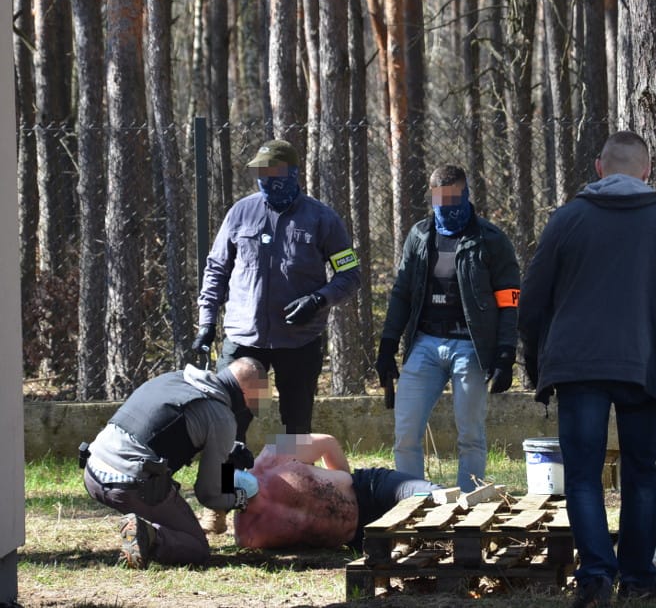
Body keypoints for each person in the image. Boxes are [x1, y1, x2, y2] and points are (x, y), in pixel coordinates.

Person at [518, 131, 656, 608]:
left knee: (581, 476)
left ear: (599, 168)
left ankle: (595, 576)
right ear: (647, 171)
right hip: (645, 365)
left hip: (576, 367)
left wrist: (534, 360)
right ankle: (638, 578)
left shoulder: (566, 220)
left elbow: (531, 299)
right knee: (640, 473)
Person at [193, 138, 361, 533]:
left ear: (294, 174)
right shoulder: (240, 214)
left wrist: (319, 299)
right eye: (261, 176)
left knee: (296, 428)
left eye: (276, 175)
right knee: (228, 425)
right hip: (243, 338)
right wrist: (205, 323)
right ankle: (218, 505)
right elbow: (216, 270)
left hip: (298, 341)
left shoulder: (322, 219)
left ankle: (294, 506)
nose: (268, 183)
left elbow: (349, 274)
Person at [375, 165, 521, 493]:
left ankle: (469, 504)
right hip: (425, 342)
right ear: (433, 199)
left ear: (467, 195)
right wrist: (387, 344)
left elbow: (509, 300)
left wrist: (505, 352)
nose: (450, 210)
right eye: (443, 203)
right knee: (406, 432)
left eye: (457, 201)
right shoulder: (420, 236)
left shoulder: (491, 240)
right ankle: (413, 501)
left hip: (470, 346)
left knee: (470, 434)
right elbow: (402, 293)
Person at [81, 358, 270, 568]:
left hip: (93, 469)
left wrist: (226, 453)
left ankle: (142, 526)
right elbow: (208, 495)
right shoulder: (222, 417)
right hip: (128, 485)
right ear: (248, 391)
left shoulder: (175, 378)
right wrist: (239, 499)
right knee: (196, 548)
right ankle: (146, 534)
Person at [233, 434, 441, 551]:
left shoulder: (275, 450)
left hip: (370, 489)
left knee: (438, 499)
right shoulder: (248, 535)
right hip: (357, 539)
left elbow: (327, 442)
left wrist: (342, 483)